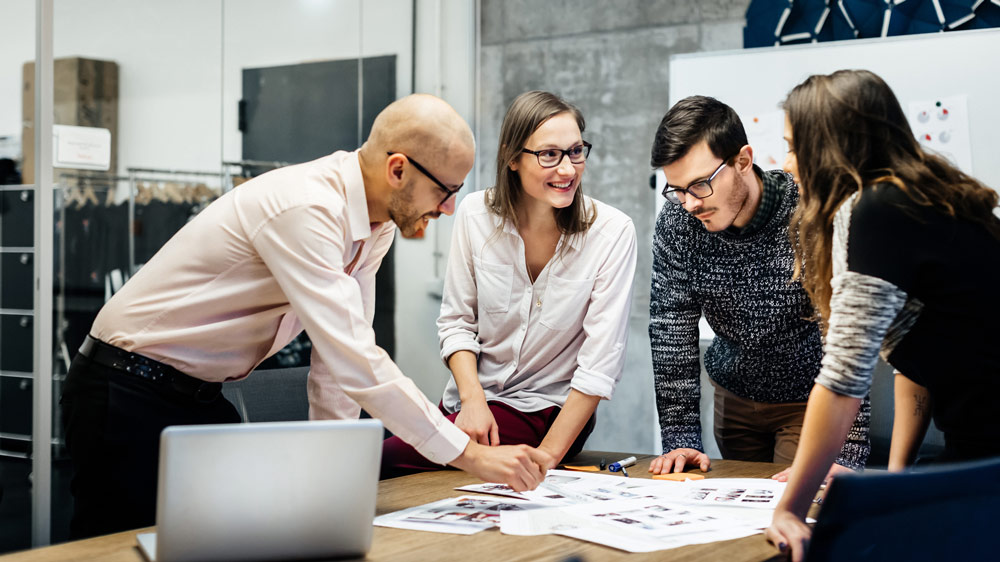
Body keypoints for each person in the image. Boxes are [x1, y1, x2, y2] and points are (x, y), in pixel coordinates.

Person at [59, 94, 553, 539]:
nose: (448, 209)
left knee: (223, 542)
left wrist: (329, 476)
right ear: (398, 170)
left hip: (196, 396)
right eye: (444, 191)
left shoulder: (374, 227)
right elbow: (356, 358)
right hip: (123, 388)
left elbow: (337, 366)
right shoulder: (307, 208)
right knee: (112, 548)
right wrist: (470, 455)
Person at [767, 69, 1000, 561]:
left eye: (793, 146)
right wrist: (898, 479)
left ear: (827, 146)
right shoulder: (931, 195)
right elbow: (921, 356)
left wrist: (790, 507)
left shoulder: (876, 209)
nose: (787, 164)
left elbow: (842, 380)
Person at [381, 91, 637, 478]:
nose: (567, 169)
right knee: (378, 446)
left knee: (378, 460)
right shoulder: (474, 215)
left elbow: (599, 365)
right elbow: (456, 323)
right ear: (513, 158)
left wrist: (548, 457)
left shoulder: (612, 232)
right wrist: (472, 402)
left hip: (547, 412)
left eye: (576, 151)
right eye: (549, 154)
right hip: (471, 404)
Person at [645, 95, 870, 478]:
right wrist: (681, 435)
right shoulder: (678, 223)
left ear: (743, 161)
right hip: (733, 398)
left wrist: (847, 452)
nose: (688, 204)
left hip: (809, 400)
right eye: (677, 189)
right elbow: (671, 327)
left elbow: (845, 333)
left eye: (699, 185)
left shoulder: (809, 213)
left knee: (796, 509)